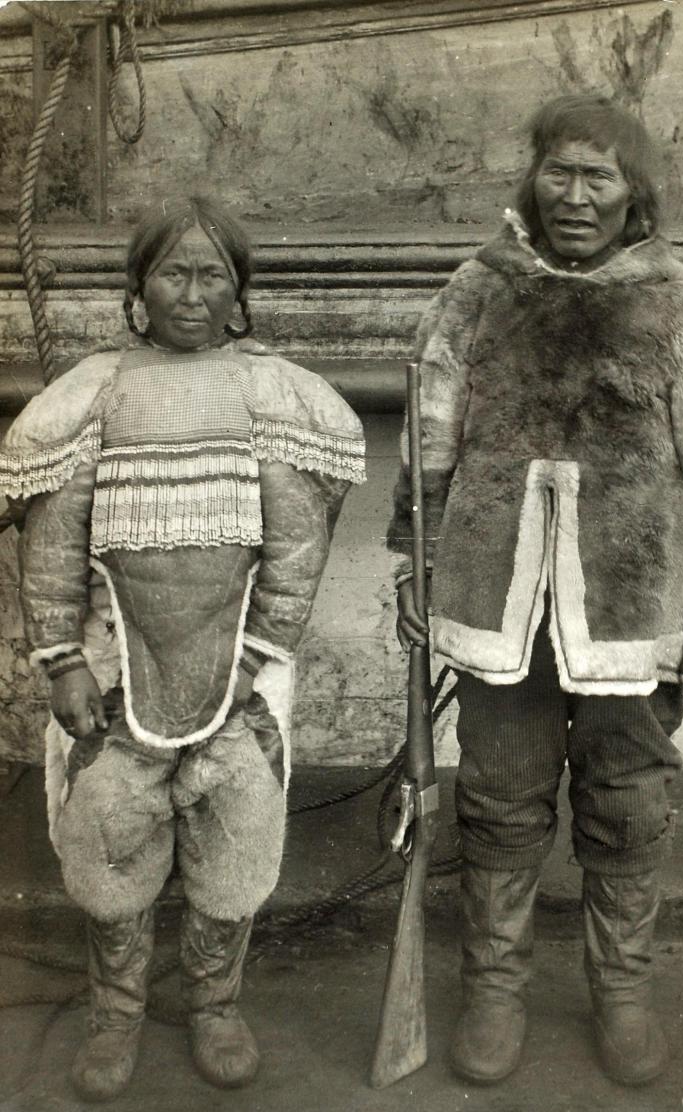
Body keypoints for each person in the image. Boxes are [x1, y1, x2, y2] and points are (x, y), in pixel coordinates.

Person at [388, 95, 683, 1089]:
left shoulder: (676, 302)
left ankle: (623, 992)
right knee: (502, 802)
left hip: (634, 615)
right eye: (562, 170)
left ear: (634, 192)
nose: (578, 194)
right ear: (533, 178)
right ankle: (495, 990)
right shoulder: (479, 290)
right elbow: (429, 432)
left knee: (628, 804)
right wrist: (413, 567)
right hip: (496, 601)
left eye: (600, 176)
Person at [0, 196, 366, 1102]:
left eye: (212, 276)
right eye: (173, 273)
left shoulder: (269, 391)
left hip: (242, 662)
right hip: (115, 660)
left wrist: (254, 660)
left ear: (238, 291)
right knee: (110, 836)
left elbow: (294, 547)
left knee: (233, 833)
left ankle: (215, 1005)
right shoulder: (97, 390)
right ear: (139, 286)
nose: (192, 294)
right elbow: (50, 544)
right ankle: (117, 1013)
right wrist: (63, 661)